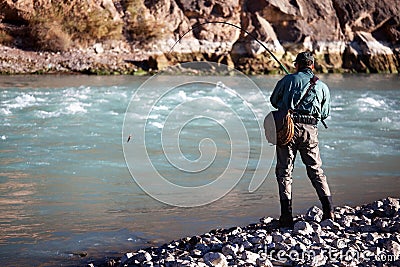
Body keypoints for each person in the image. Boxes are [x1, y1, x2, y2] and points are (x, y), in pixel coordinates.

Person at [270, 51, 334, 227]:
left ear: (297, 65)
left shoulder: (287, 80)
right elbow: (325, 113)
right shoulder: (322, 87)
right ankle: (328, 210)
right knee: (315, 170)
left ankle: (286, 216)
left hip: (287, 129)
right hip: (310, 130)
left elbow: (274, 101)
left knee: (284, 171)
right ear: (312, 66)